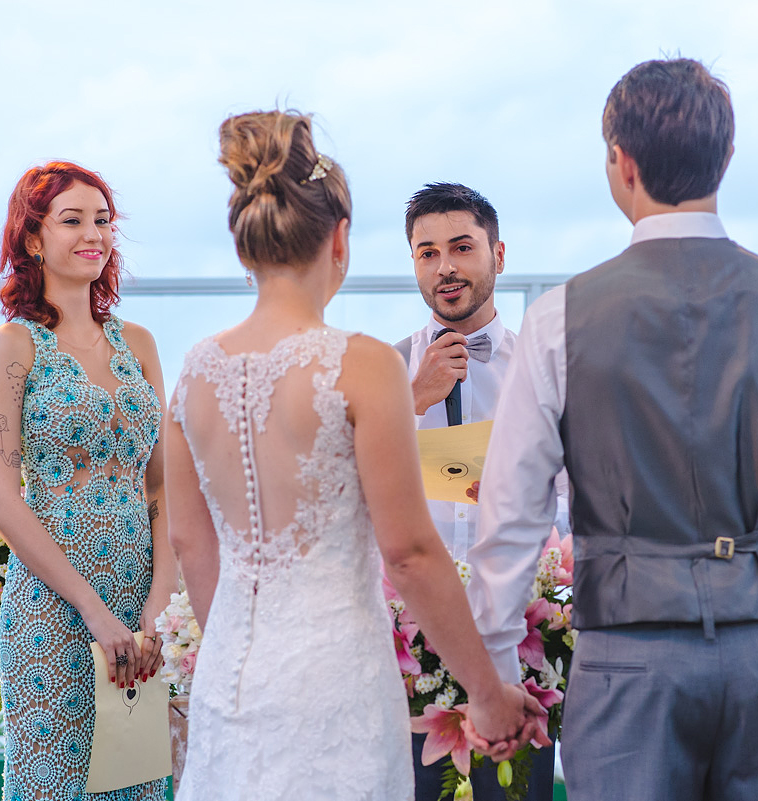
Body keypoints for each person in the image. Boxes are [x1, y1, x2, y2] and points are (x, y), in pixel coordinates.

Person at [466, 59, 758, 800]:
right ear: (725, 159)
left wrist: (498, 675)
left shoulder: (557, 319)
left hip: (627, 655)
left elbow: (510, 515)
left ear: (621, 163)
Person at [165, 111, 546, 801]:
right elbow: (409, 553)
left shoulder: (193, 374)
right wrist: (487, 693)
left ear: (245, 241)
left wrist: (237, 654)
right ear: (339, 239)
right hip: (335, 677)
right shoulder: (364, 364)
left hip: (231, 679)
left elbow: (192, 541)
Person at [0, 162, 173, 800]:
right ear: (33, 239)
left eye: (103, 220)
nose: (94, 233)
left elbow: (163, 489)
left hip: (140, 606)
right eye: (73, 220)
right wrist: (91, 610)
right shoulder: (11, 345)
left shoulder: (139, 342)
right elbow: (0, 495)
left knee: (137, 782)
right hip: (54, 611)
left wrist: (157, 610)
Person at [396, 182, 563, 801]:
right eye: (427, 252)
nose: (445, 267)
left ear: (498, 255)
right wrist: (412, 399)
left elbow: (569, 507)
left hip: (521, 642)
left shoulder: (542, 373)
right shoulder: (383, 375)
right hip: (414, 647)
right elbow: (347, 499)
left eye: (462, 248)